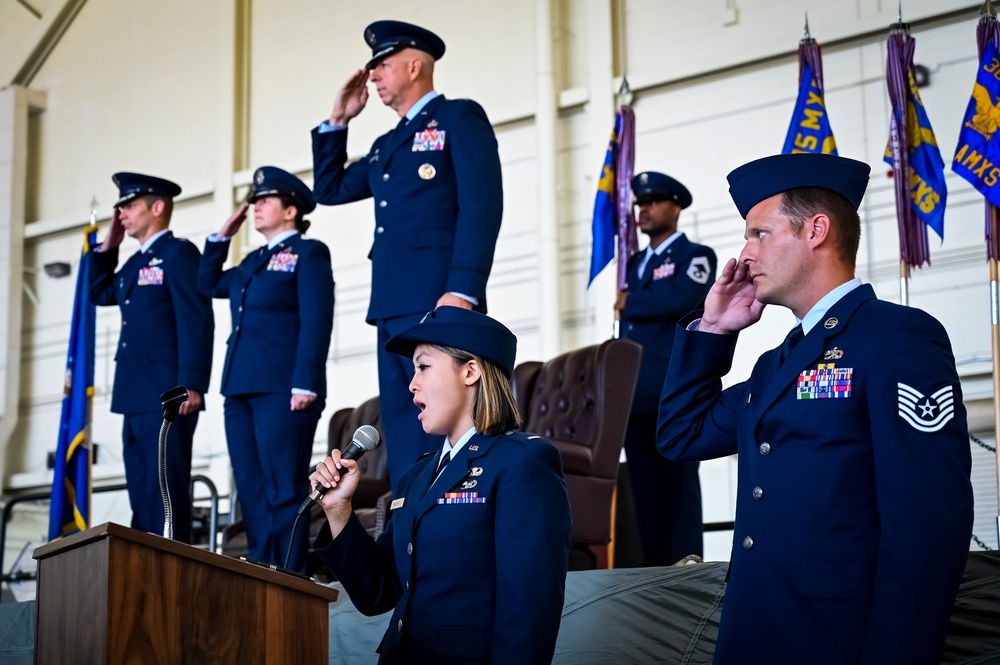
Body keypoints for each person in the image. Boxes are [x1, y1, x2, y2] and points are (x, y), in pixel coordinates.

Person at [656, 153, 973, 664]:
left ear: (816, 230)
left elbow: (927, 528)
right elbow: (680, 436)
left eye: (759, 233)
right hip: (752, 634)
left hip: (836, 640)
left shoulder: (896, 338)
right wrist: (713, 332)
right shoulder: (773, 366)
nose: (744, 254)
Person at [311, 306, 571, 664]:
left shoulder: (522, 463)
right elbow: (378, 594)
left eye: (423, 366)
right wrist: (339, 510)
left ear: (470, 371)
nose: (411, 383)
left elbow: (528, 614)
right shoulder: (417, 476)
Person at [311, 20, 503, 494]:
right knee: (402, 423)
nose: (372, 75)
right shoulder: (386, 146)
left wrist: (463, 287)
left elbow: (482, 203)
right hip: (392, 303)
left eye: (382, 64)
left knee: (447, 416)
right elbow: (329, 189)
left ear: (414, 65)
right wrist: (338, 120)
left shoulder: (457, 117)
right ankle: (409, 533)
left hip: (438, 299)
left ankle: (452, 528)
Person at [198, 166, 334, 572]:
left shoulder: (308, 253)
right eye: (254, 202)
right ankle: (260, 571)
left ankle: (291, 575)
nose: (256, 208)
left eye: (265, 201)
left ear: (290, 211)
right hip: (239, 387)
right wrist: (221, 236)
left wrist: (306, 380)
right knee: (253, 489)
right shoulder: (253, 262)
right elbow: (206, 284)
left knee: (283, 487)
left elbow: (316, 319)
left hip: (284, 387)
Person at [89, 172, 214, 544]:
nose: (121, 213)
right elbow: (98, 291)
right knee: (142, 494)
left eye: (129, 205)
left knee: (165, 492)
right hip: (133, 393)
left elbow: (196, 319)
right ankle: (143, 576)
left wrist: (190, 383)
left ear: (157, 207)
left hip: (166, 395)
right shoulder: (132, 265)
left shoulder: (178, 254)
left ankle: (170, 577)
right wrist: (108, 244)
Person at [615, 171, 716, 566]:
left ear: (676, 207)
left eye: (654, 202)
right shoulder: (636, 262)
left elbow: (683, 298)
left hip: (673, 386)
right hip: (634, 390)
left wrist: (628, 302)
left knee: (679, 482)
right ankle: (657, 570)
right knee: (644, 489)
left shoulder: (695, 256)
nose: (645, 210)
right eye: (641, 204)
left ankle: (686, 564)